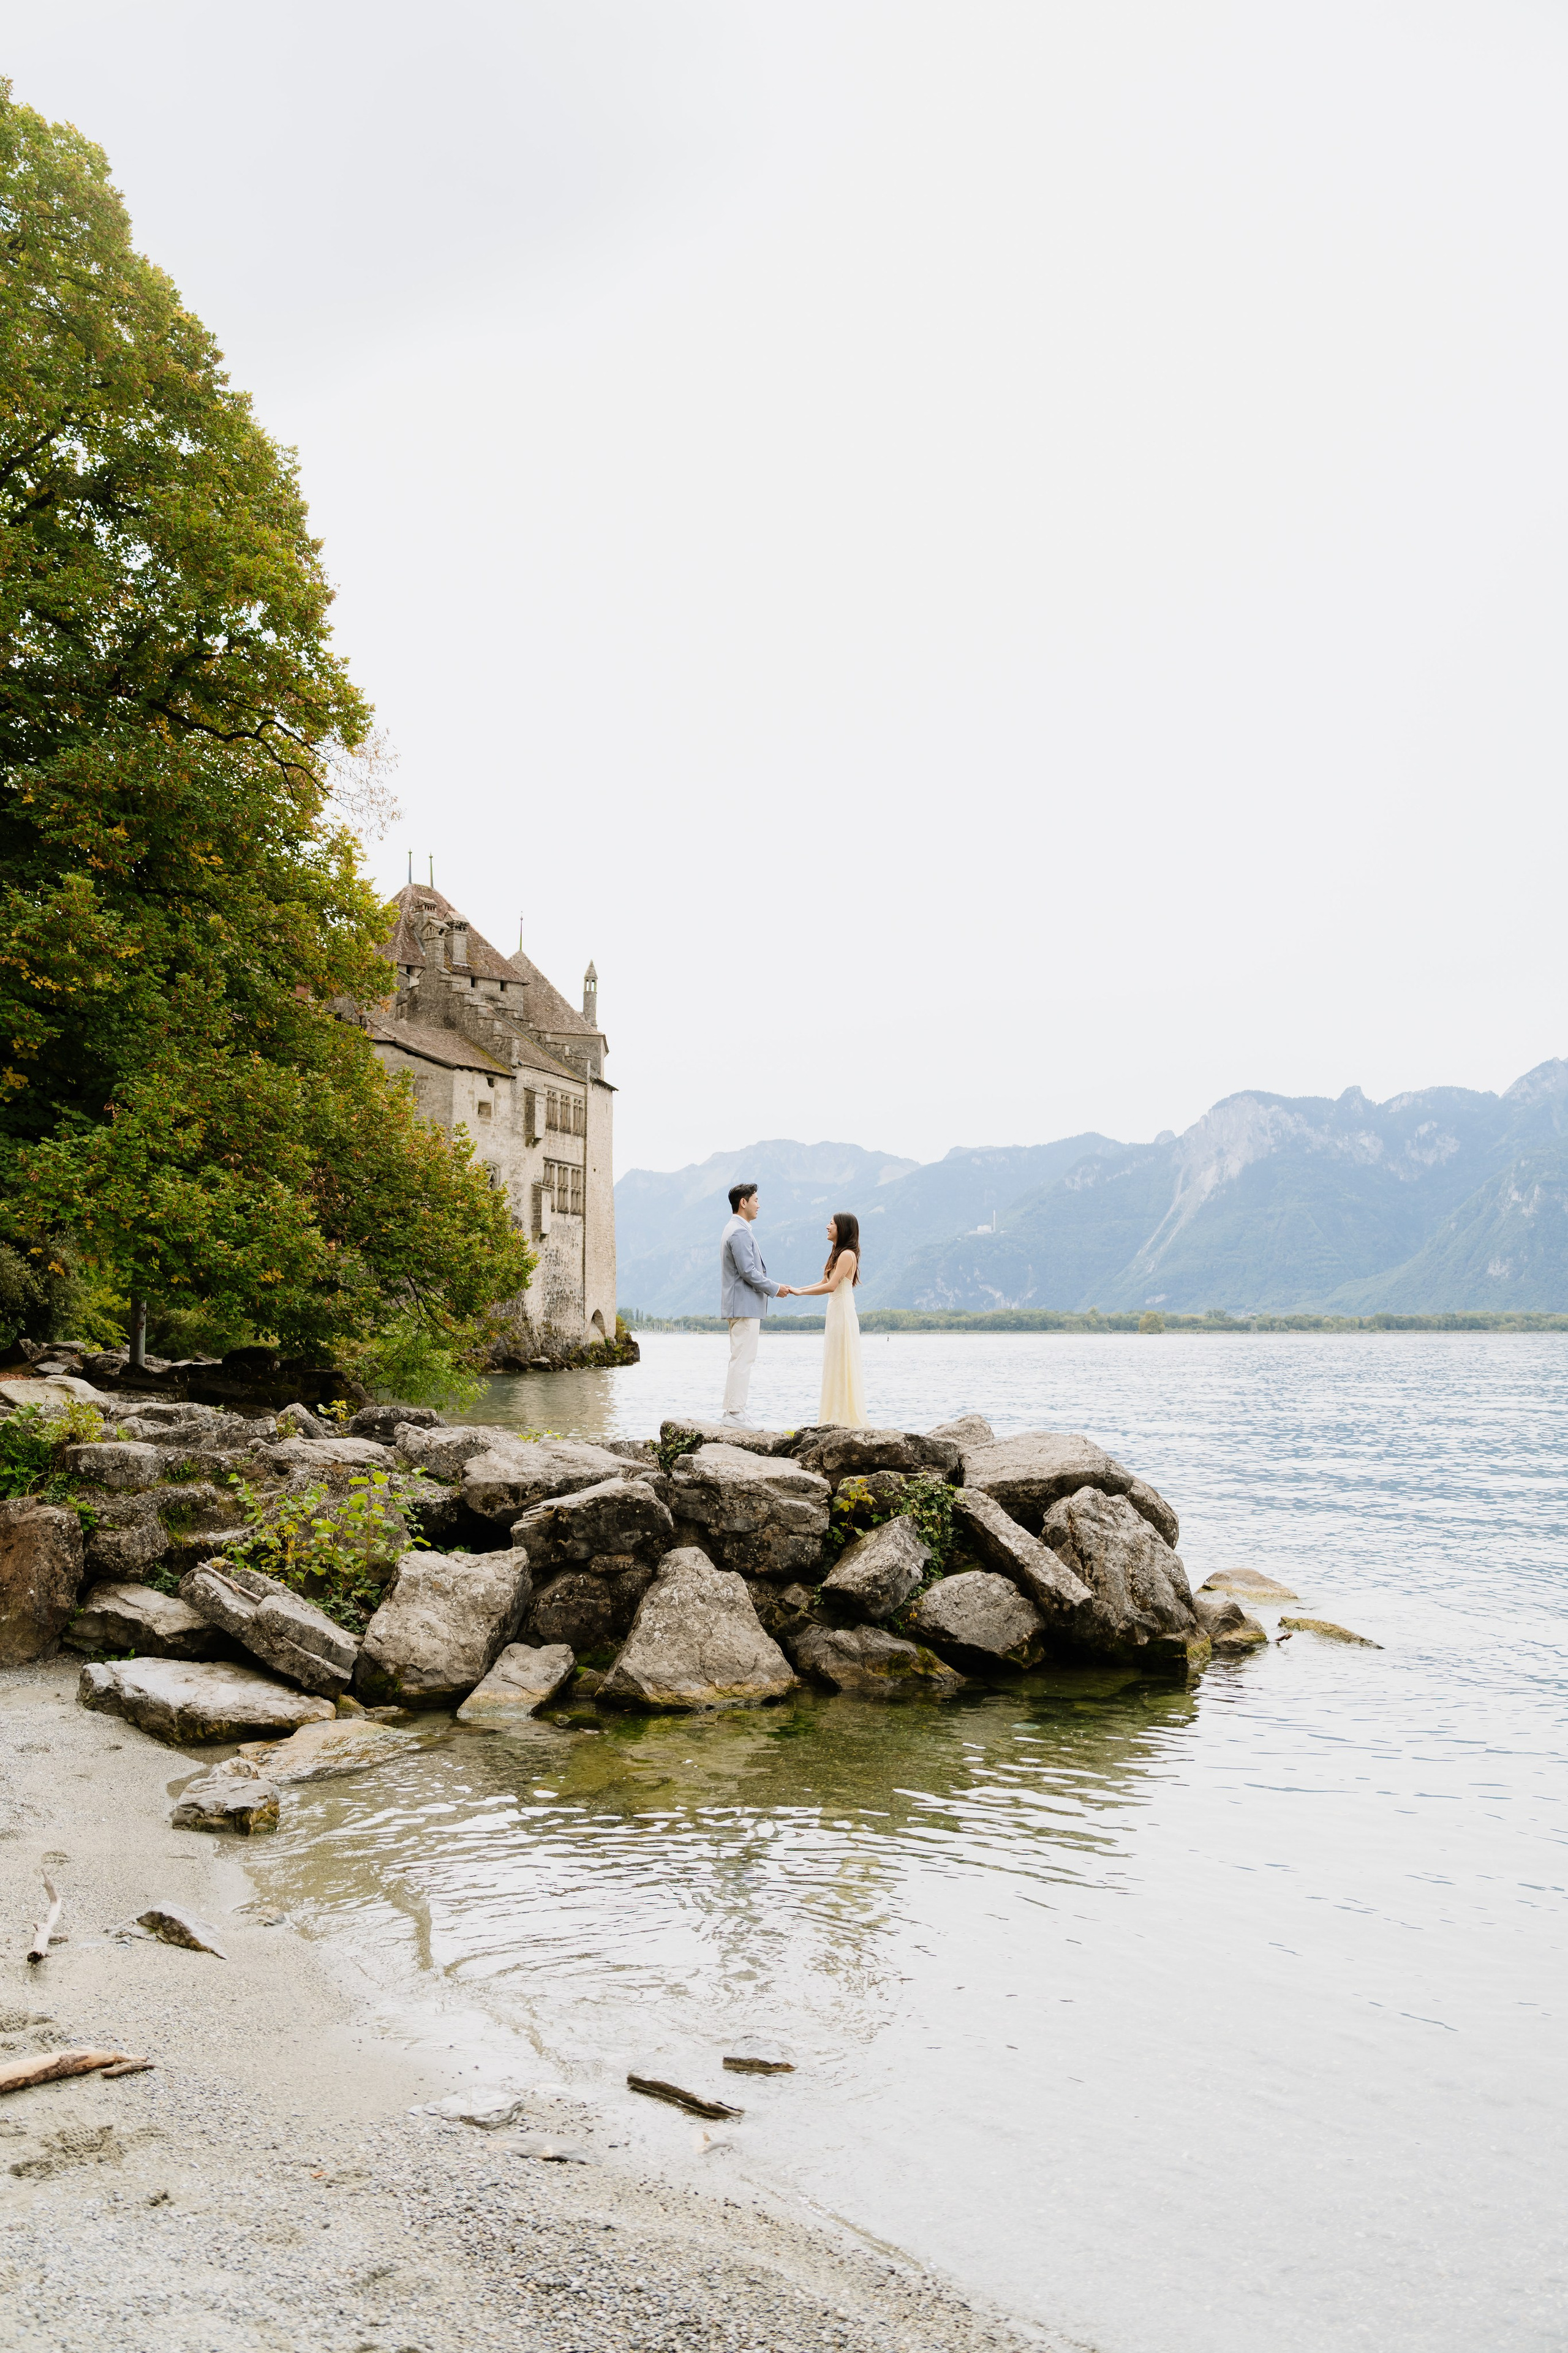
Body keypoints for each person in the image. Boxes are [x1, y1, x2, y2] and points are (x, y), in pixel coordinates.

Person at [778, 1211, 866, 1428]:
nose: (827, 1226)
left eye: (832, 1224)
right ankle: (834, 1414)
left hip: (842, 1311)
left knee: (841, 1360)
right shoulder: (838, 1253)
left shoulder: (847, 1255)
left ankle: (842, 1417)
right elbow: (823, 1281)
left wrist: (800, 1294)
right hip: (836, 1310)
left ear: (842, 1229)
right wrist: (797, 1288)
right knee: (834, 1360)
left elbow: (831, 1286)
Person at [718, 1181, 783, 1426]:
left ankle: (733, 1411)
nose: (759, 1205)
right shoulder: (740, 1231)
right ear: (743, 1203)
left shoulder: (734, 1228)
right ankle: (735, 1413)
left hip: (740, 1304)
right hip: (744, 1305)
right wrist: (774, 1288)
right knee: (744, 1358)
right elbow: (748, 1271)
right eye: (756, 1200)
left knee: (740, 1357)